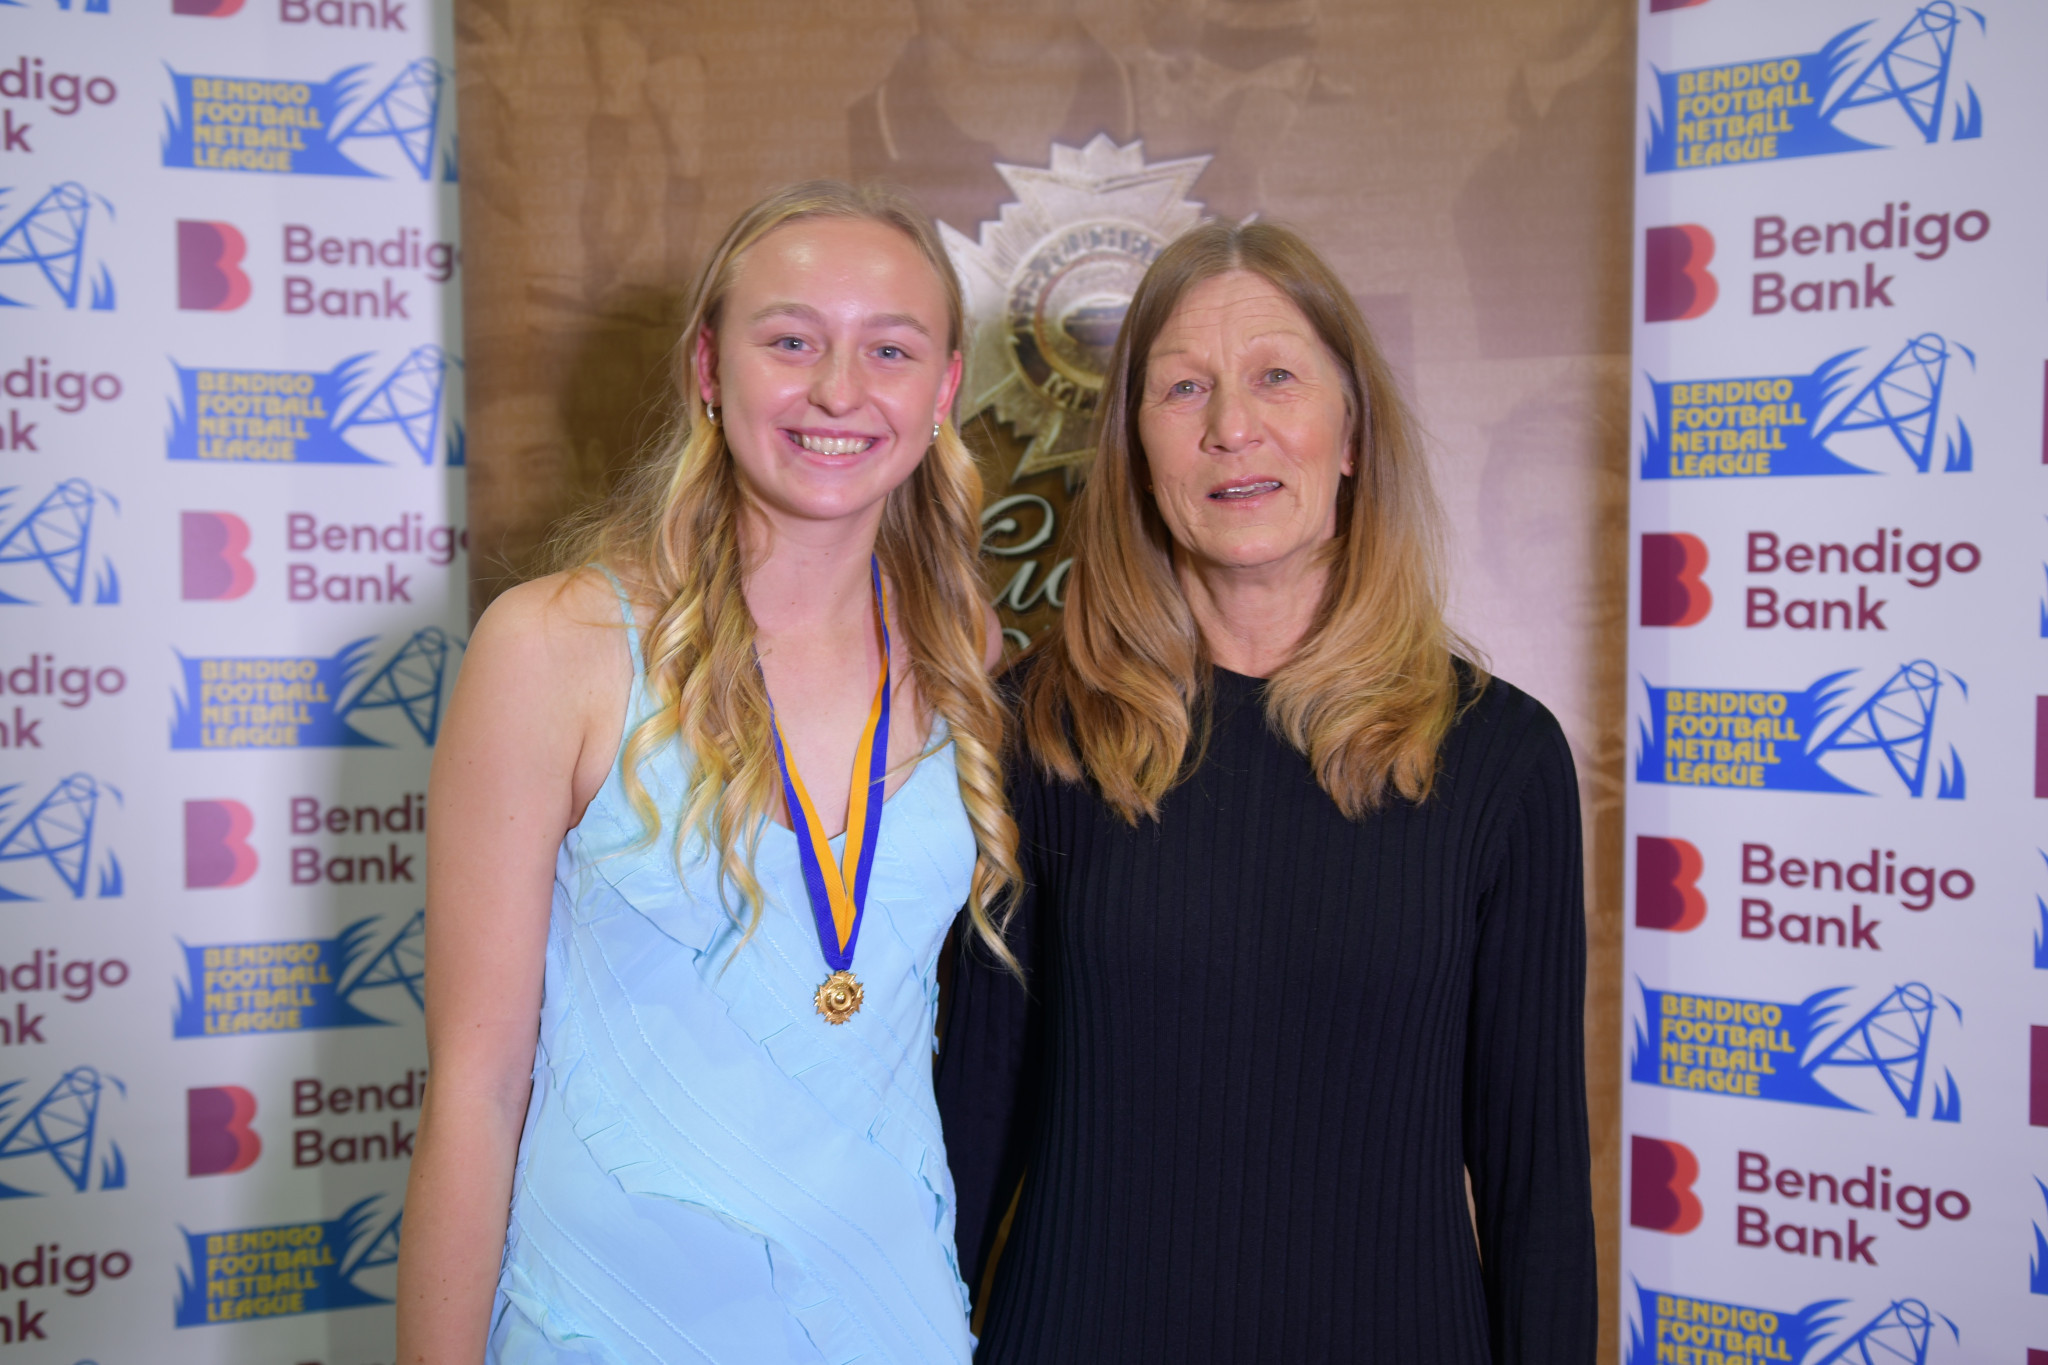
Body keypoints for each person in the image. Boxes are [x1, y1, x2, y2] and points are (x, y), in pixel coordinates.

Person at [937, 219, 1597, 1362]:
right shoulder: (1032, 729)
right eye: (1181, 388)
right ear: (1136, 448)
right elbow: (968, 1125)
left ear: (1349, 434)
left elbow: (1535, 1186)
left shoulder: (1501, 758)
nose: (1230, 427)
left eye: (1275, 377)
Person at [397, 181, 1017, 1365]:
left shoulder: (963, 657)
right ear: (706, 367)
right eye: (790, 340)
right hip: (606, 1327)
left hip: (890, 1323)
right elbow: (473, 1097)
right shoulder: (554, 647)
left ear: (942, 391)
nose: (838, 391)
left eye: (887, 350)